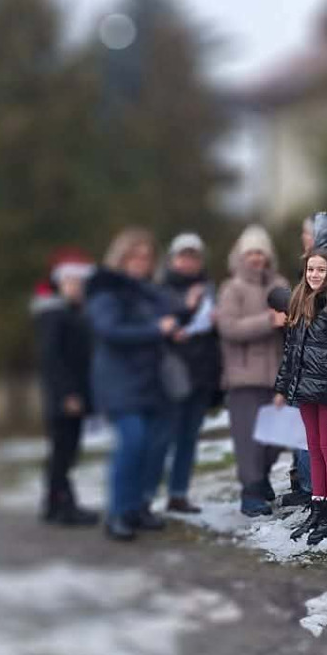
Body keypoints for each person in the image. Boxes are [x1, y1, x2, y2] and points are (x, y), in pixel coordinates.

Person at [86, 227, 181, 542]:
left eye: (147, 257)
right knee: (133, 442)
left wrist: (173, 330)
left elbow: (161, 325)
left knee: (155, 446)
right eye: (134, 256)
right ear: (121, 258)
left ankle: (139, 506)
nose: (141, 262)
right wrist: (156, 329)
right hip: (120, 380)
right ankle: (118, 512)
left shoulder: (151, 292)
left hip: (153, 379)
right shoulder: (106, 290)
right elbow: (109, 330)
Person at [272, 250, 327, 546]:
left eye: (321, 270)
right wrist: (282, 388)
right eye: (310, 269)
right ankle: (318, 506)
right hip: (304, 389)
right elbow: (291, 351)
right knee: (311, 447)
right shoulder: (300, 302)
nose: (314, 275)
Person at [215, 224, 288, 516]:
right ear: (241, 256)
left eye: (261, 252)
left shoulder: (280, 284)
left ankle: (261, 479)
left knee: (275, 437)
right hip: (243, 377)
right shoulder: (232, 289)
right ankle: (251, 492)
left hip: (277, 375)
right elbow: (228, 328)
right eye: (251, 253)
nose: (256, 258)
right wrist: (268, 321)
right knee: (248, 441)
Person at [155, 232, 223, 514]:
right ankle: (146, 493)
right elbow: (159, 327)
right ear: (172, 259)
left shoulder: (209, 288)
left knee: (189, 437)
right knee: (164, 436)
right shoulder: (160, 288)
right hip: (173, 373)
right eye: (183, 256)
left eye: (194, 257)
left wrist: (218, 322)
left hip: (202, 371)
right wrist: (187, 308)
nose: (188, 262)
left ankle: (178, 493)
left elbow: (213, 331)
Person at [33, 249, 98, 526]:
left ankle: (53, 503)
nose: (76, 287)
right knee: (63, 452)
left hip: (73, 392)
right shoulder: (54, 315)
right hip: (63, 396)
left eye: (79, 282)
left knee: (65, 451)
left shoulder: (75, 313)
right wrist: (68, 394)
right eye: (70, 282)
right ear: (60, 283)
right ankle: (62, 505)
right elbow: (52, 359)